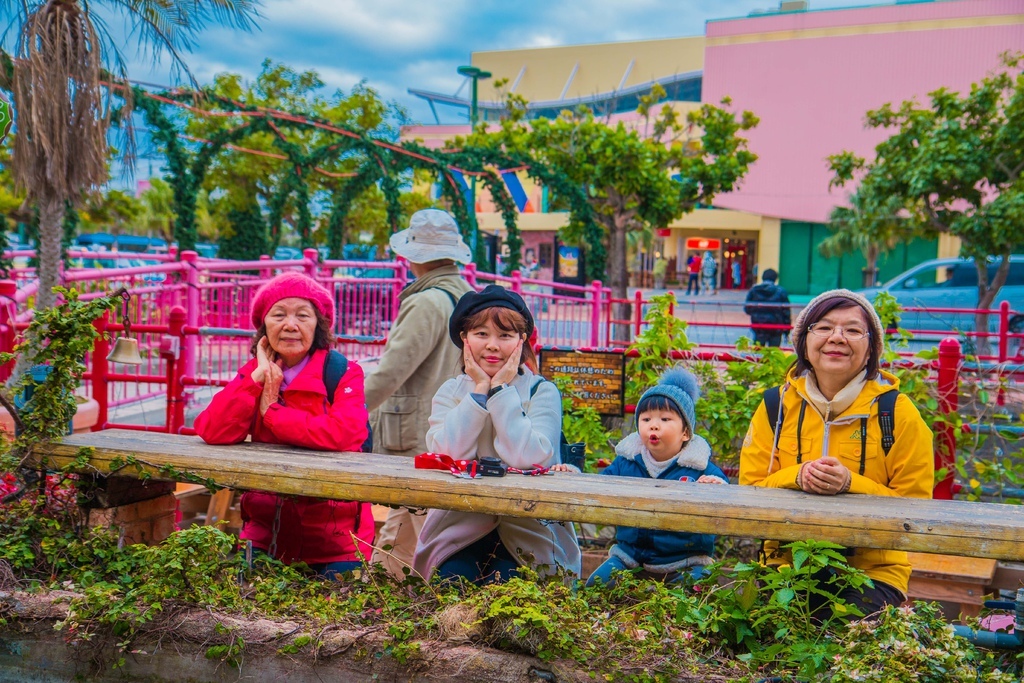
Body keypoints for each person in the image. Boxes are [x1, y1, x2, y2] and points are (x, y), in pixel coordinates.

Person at [739, 289, 934, 616]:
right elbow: (749, 491)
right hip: (785, 563)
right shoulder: (776, 406)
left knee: (841, 642)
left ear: (871, 347)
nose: (837, 338)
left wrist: (849, 485)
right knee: (781, 642)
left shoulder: (896, 412)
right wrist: (797, 477)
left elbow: (916, 510)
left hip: (873, 571)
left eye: (853, 330)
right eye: (824, 327)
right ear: (804, 340)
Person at [194, 272, 373, 579]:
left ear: (318, 325)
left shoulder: (343, 372)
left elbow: (344, 433)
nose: (290, 325)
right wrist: (254, 381)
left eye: (303, 316)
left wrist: (273, 415)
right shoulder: (254, 373)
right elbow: (212, 430)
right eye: (279, 315)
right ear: (265, 327)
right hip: (264, 535)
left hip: (334, 542)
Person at [413, 285, 581, 585]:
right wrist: (478, 392)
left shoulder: (542, 392)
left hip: (531, 528)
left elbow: (529, 457)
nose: (492, 345)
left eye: (505, 336)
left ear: (521, 341)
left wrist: (501, 391)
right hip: (458, 525)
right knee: (451, 585)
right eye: (481, 334)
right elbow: (446, 452)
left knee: (507, 589)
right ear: (464, 338)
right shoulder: (451, 391)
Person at [364, 209, 473, 579]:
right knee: (420, 521)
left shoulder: (425, 302)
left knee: (406, 524)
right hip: (453, 426)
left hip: (413, 429)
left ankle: (381, 597)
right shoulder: (465, 297)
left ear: (412, 256)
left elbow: (392, 370)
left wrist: (347, 408)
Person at [555, 368, 727, 588]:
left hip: (686, 559)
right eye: (646, 419)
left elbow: (723, 495)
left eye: (665, 419)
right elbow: (599, 487)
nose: (653, 425)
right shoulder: (627, 462)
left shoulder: (699, 467)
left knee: (696, 590)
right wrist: (574, 476)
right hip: (631, 557)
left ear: (686, 433)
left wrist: (716, 486)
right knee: (595, 586)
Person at [743, 269, 792, 347]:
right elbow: (786, 312)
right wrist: (787, 330)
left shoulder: (754, 290)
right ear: (775, 279)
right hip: (776, 327)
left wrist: (757, 312)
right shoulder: (781, 291)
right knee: (774, 353)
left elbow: (747, 309)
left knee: (757, 353)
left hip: (759, 326)